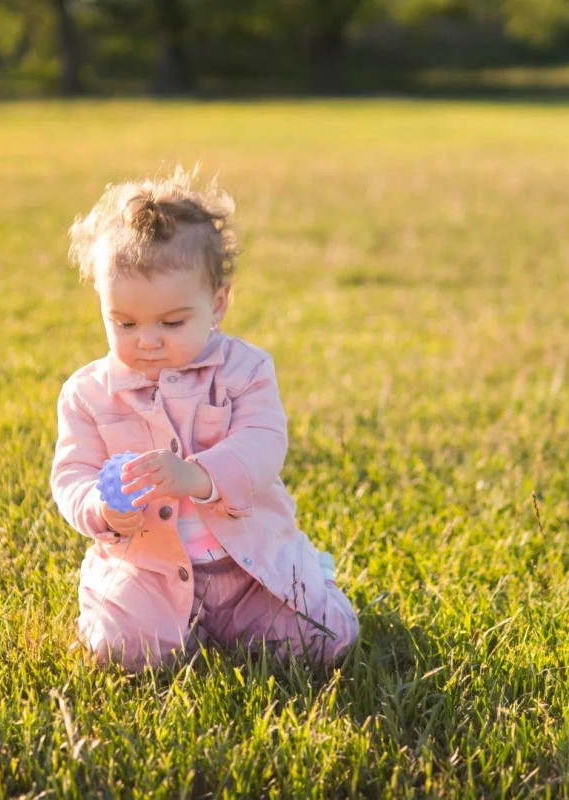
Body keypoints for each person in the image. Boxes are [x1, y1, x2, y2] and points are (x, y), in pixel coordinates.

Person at [51, 168, 359, 671]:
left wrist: (197, 476)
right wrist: (102, 510)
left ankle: (310, 580)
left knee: (323, 641)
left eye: (172, 322)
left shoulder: (244, 371)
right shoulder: (88, 394)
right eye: (124, 323)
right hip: (147, 567)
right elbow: (72, 473)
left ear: (217, 303)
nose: (147, 340)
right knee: (120, 650)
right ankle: (143, 619)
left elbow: (263, 442)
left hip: (247, 568)